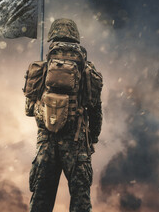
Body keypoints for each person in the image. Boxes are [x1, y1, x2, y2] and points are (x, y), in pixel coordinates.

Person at [23, 18, 103, 212]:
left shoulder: (42, 67)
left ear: (52, 35)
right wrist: (92, 138)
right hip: (76, 143)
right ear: (76, 37)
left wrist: (45, 113)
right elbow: (95, 110)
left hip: (47, 144)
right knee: (80, 200)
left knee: (41, 199)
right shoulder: (87, 70)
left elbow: (28, 108)